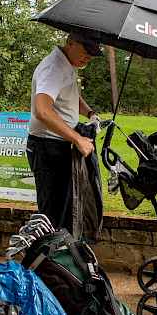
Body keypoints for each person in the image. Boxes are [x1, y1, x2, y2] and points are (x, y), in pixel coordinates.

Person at [27, 32, 103, 232]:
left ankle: (61, 257)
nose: (89, 57)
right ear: (70, 43)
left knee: (67, 208)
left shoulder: (68, 65)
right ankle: (47, 260)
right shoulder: (54, 68)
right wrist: (78, 139)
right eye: (86, 51)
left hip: (59, 144)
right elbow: (42, 110)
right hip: (47, 147)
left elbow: (71, 97)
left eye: (92, 54)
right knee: (52, 215)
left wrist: (90, 113)